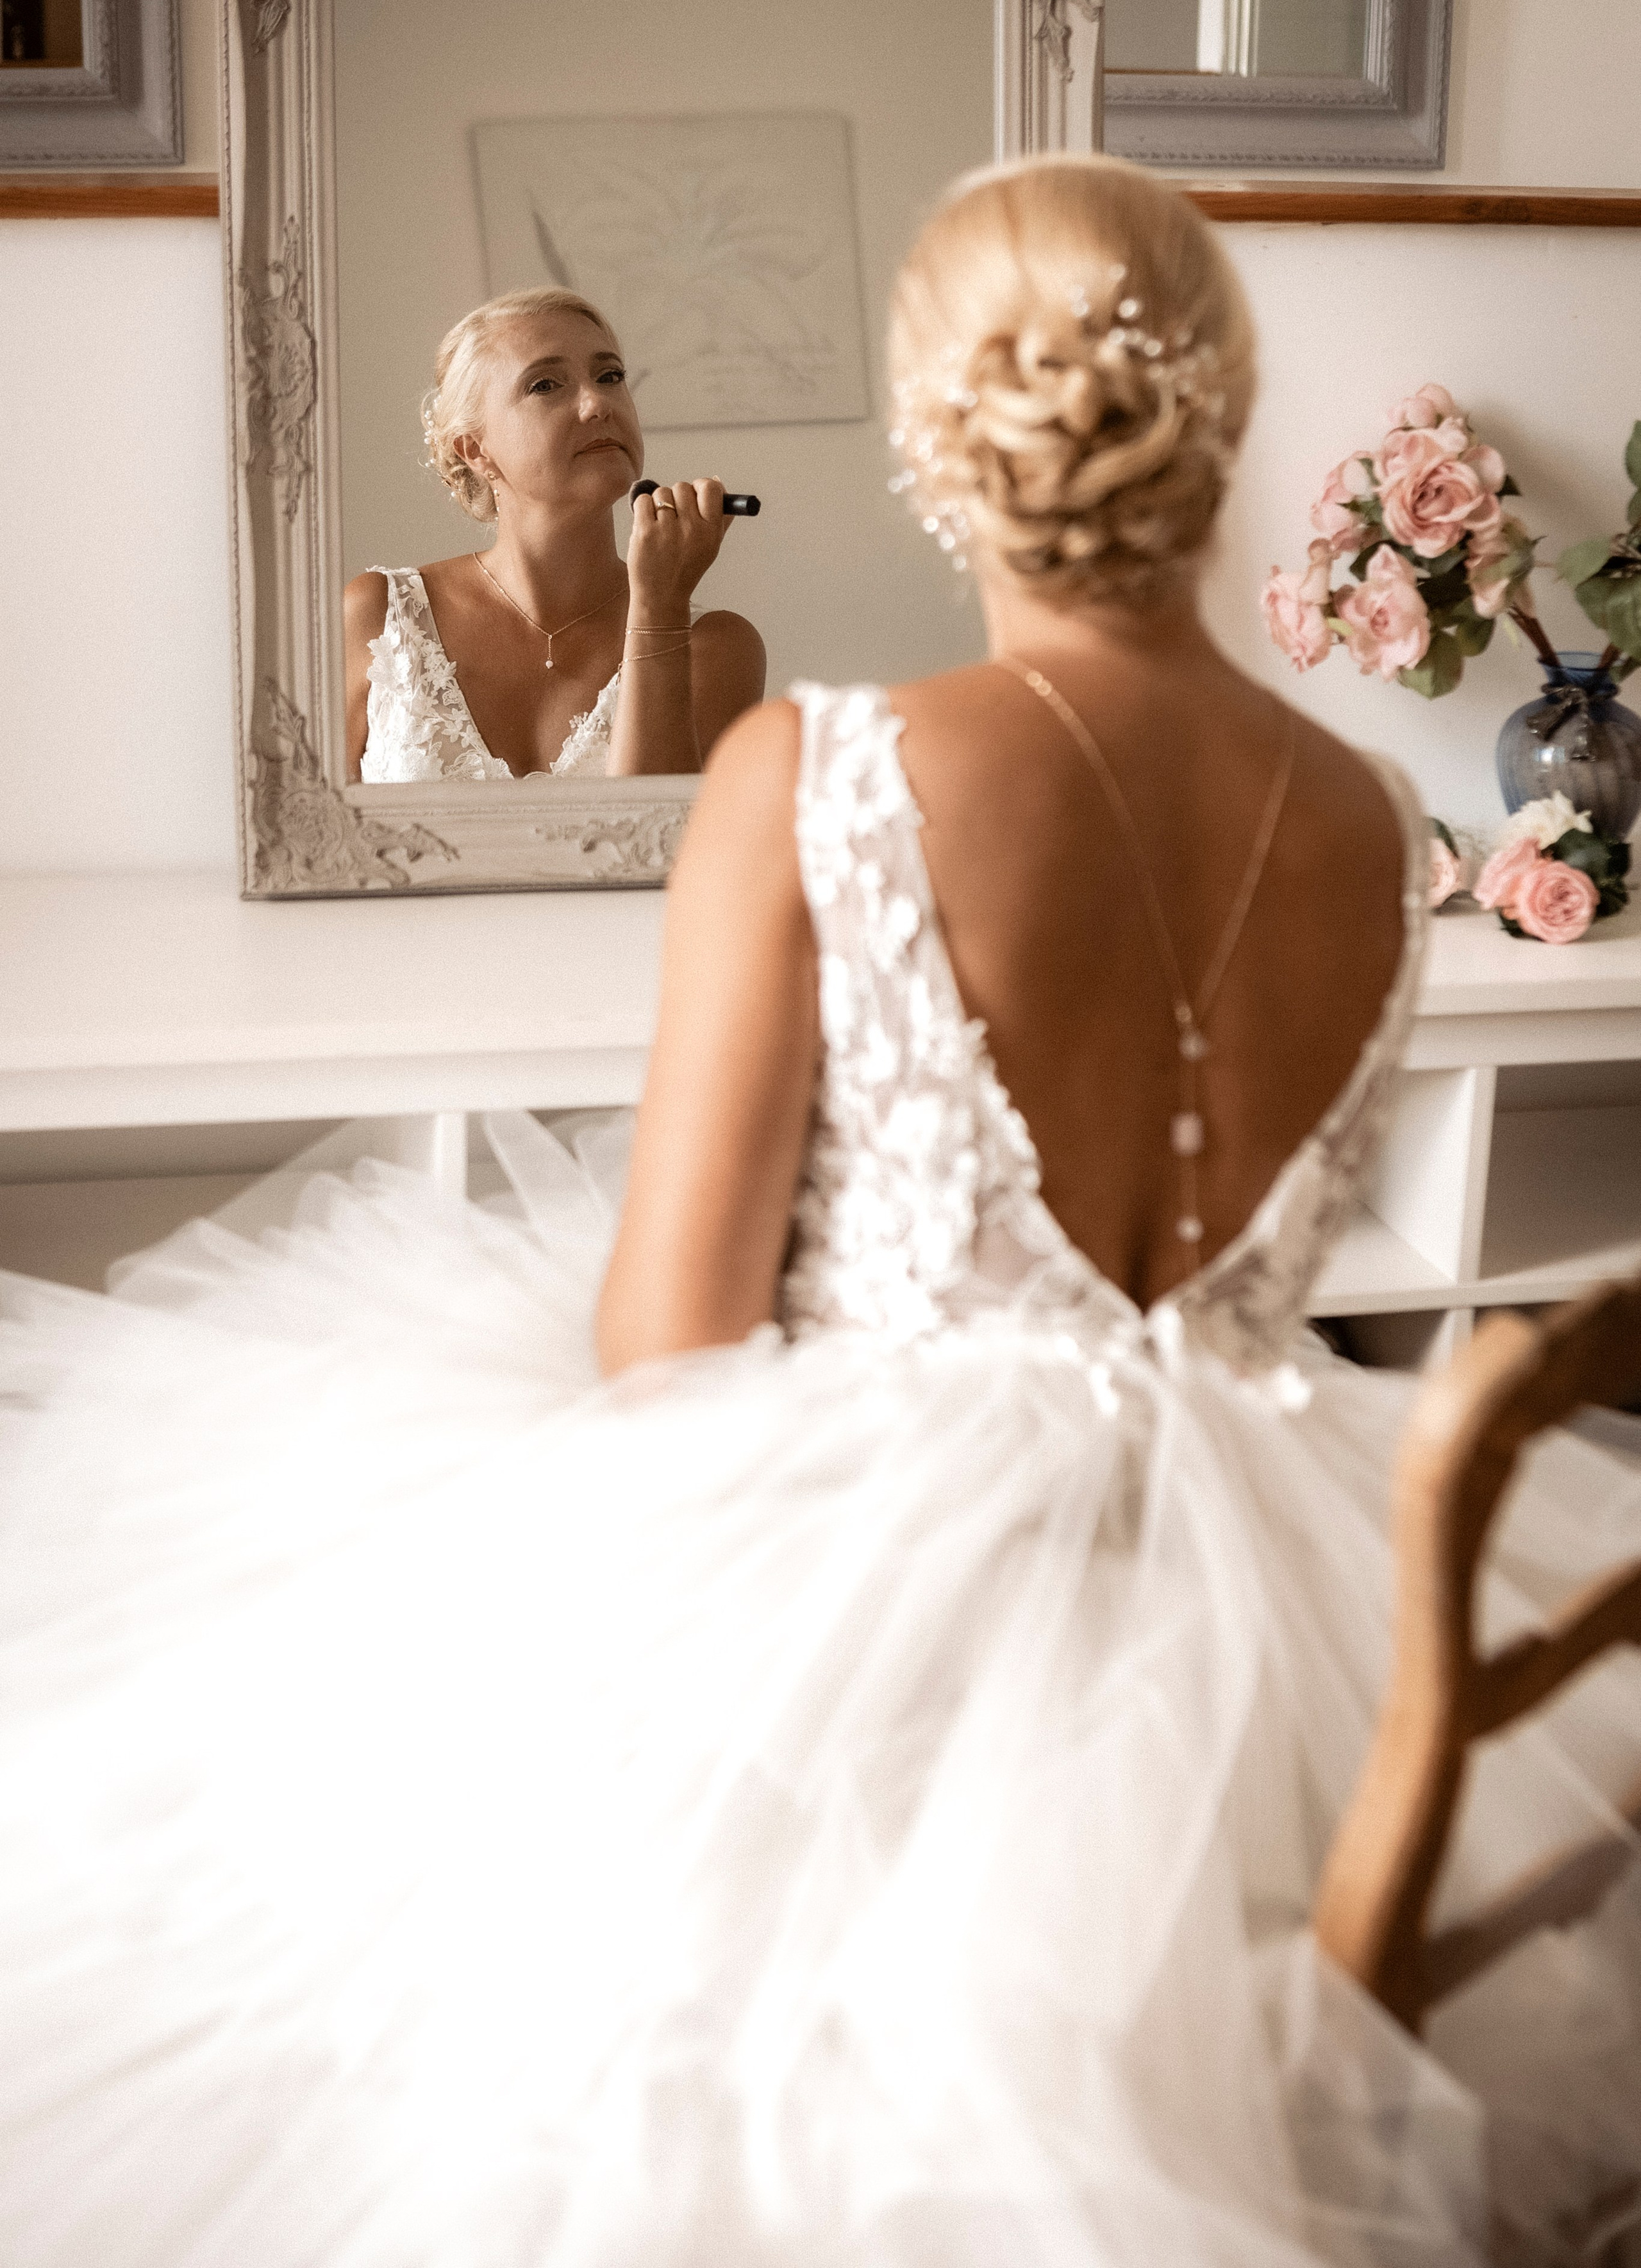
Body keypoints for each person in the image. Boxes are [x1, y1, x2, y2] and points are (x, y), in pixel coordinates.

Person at [1, 156, 1638, 2267]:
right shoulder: (1366, 814)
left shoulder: (822, 766)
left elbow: (673, 1344)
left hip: (892, 1629)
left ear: (937, 435)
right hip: (1256, 1623)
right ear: (1216, 405)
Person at [345, 286, 765, 780]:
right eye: (546, 386)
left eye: (610, 377)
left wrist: (660, 607)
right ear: (474, 449)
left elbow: (651, 842)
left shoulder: (717, 647)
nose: (597, 405)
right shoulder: (380, 617)